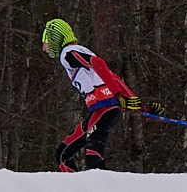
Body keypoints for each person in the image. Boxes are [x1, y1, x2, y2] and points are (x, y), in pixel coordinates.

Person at [42, 18, 137, 172]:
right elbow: (113, 77)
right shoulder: (80, 49)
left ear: (55, 38)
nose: (44, 48)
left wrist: (118, 96)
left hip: (104, 108)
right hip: (104, 109)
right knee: (64, 154)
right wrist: (135, 103)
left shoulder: (67, 53)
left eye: (45, 41)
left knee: (90, 154)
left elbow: (98, 63)